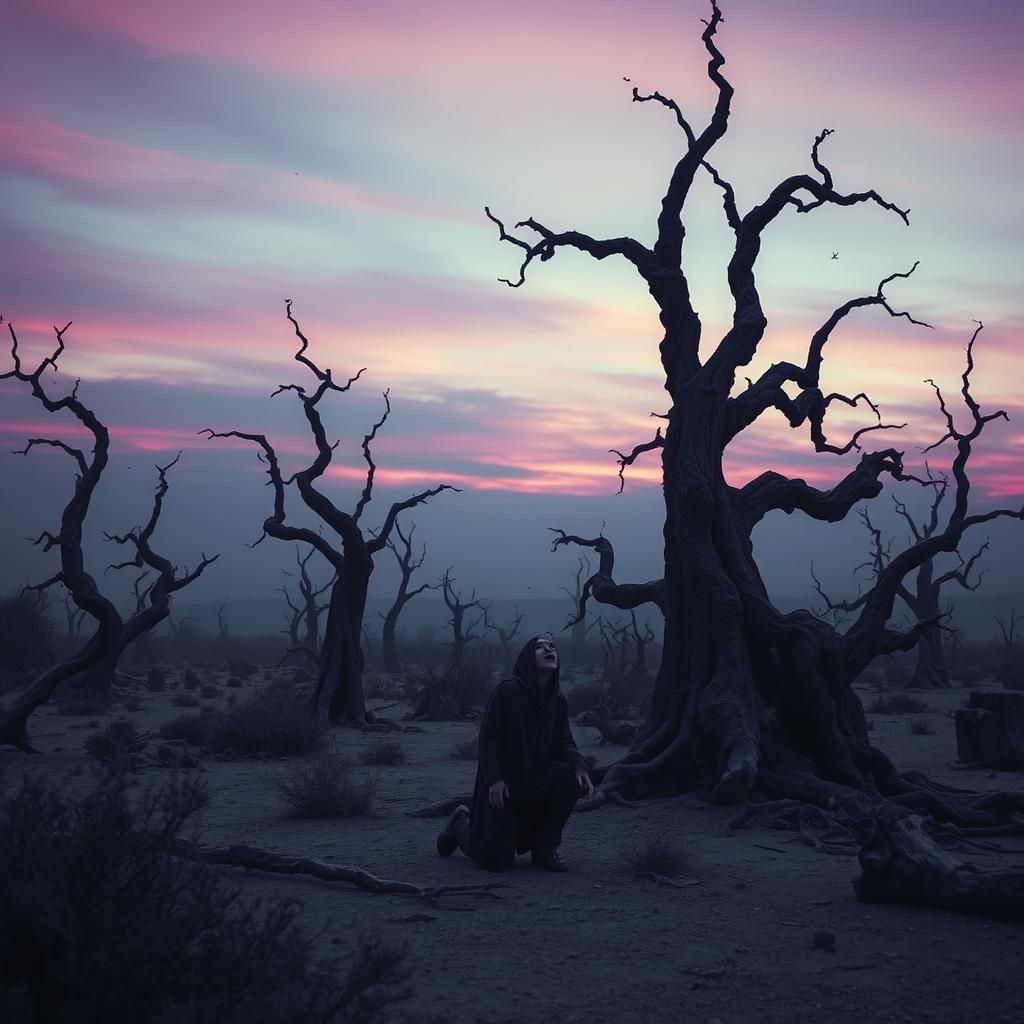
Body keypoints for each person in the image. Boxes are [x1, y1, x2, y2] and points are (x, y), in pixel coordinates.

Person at [436, 634, 593, 872]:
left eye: (552, 646)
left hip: (538, 779)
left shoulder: (558, 700)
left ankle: (545, 849)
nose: (549, 650)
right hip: (504, 784)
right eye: (540, 647)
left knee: (569, 775)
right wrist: (494, 779)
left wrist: (580, 766)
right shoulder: (508, 691)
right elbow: (488, 738)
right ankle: (458, 824)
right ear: (527, 658)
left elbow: (564, 742)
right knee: (495, 862)